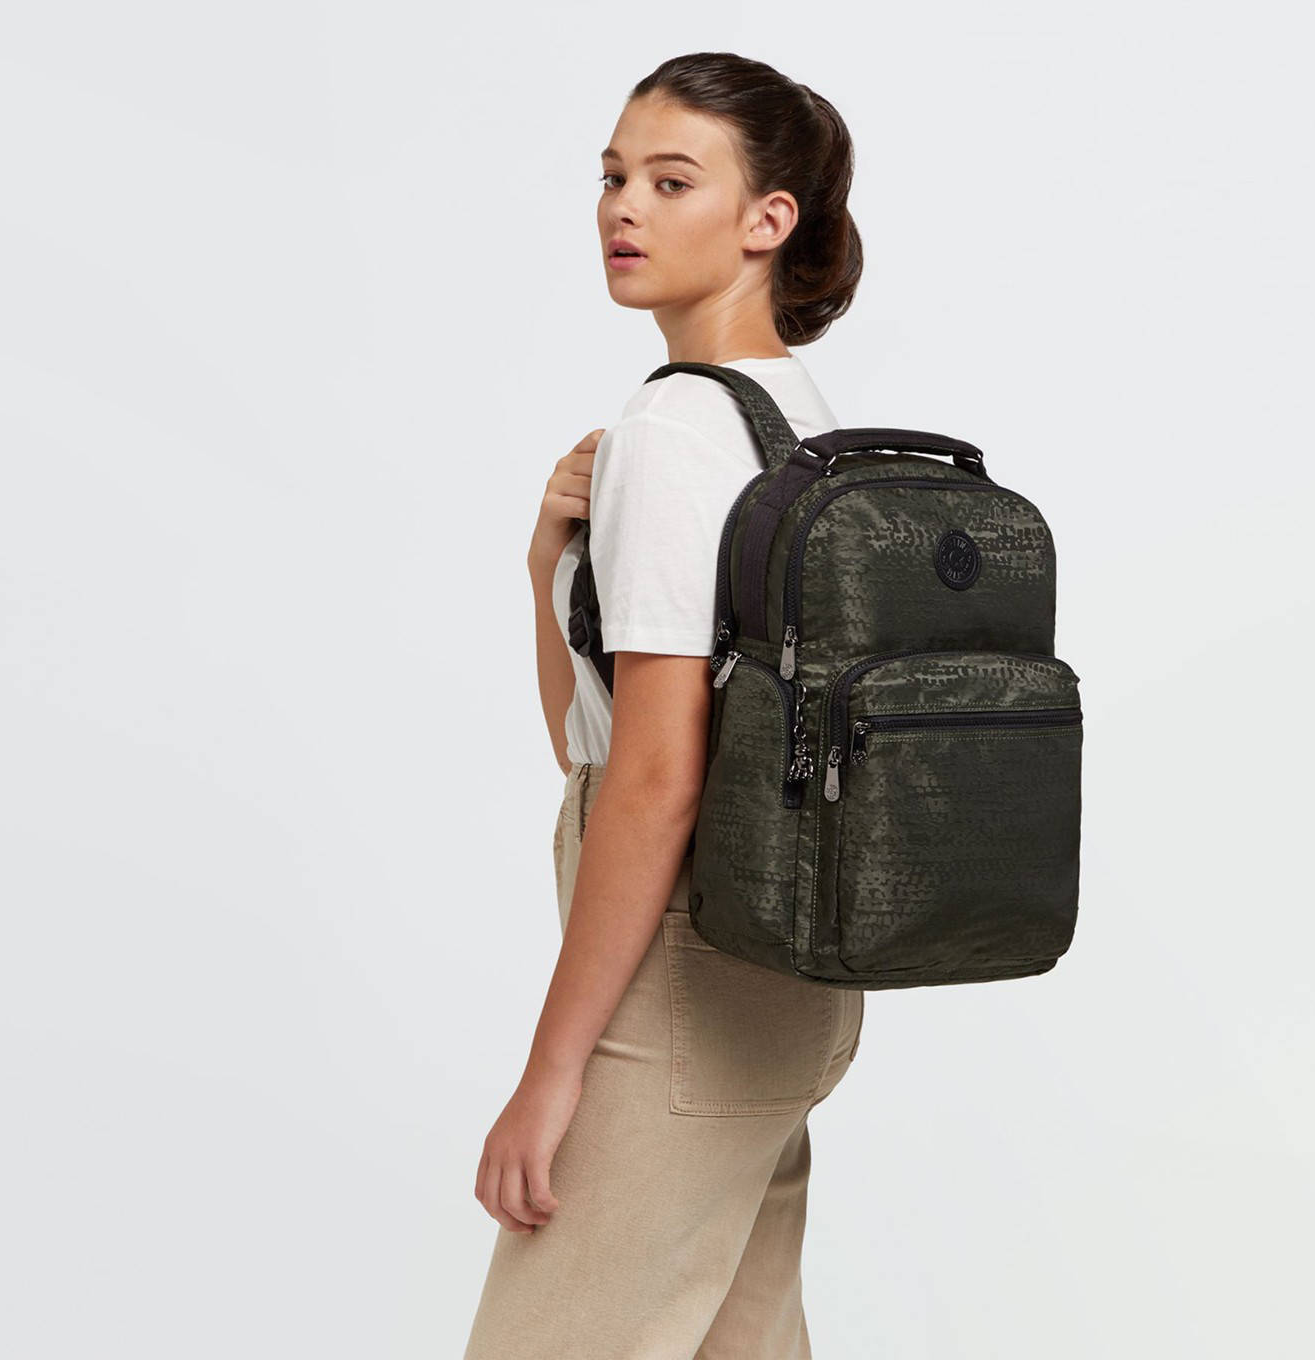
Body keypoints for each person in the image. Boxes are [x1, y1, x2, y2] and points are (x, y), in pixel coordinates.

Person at [465, 52, 865, 1359]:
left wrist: (554, 1071)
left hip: (678, 984)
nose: (624, 207)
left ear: (767, 220)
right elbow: (588, 742)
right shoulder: (796, 421)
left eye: (673, 181)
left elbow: (648, 780)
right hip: (787, 978)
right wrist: (548, 566)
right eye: (613, 176)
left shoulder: (674, 432)